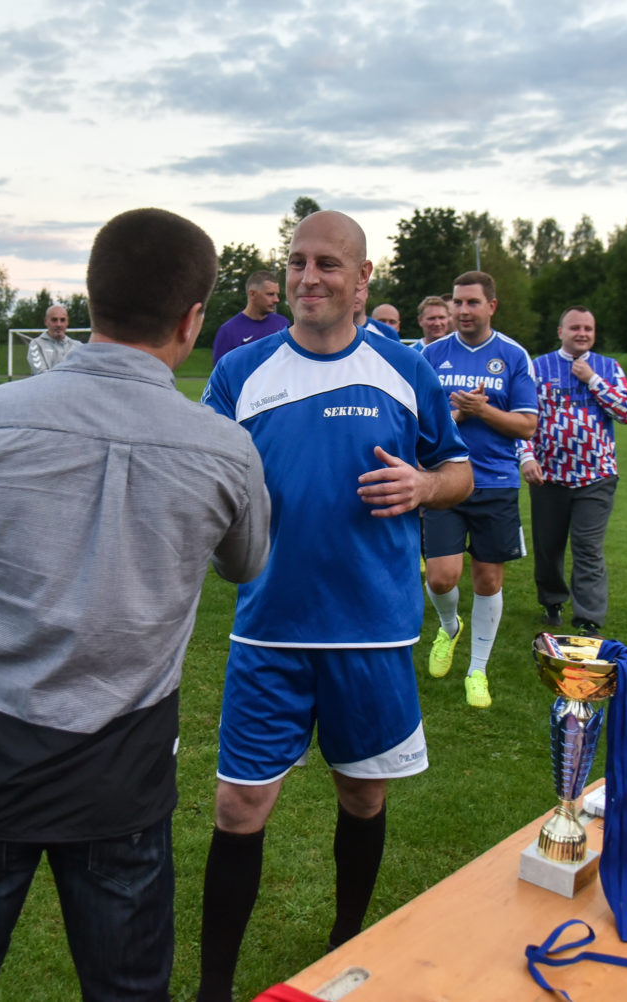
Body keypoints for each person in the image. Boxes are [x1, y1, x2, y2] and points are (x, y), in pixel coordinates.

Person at [0, 207, 270, 1002]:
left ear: (89, 300)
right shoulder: (225, 447)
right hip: (124, 763)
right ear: (192, 321)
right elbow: (247, 562)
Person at [195, 210, 471, 1002]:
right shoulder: (241, 372)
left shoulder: (404, 369)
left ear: (361, 278)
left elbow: (459, 473)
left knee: (363, 793)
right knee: (239, 805)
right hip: (269, 629)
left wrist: (424, 484)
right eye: (297, 262)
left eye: (326, 263)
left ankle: (347, 938)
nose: (307, 277)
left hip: (372, 632)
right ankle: (215, 987)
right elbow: (202, 473)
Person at [420, 272, 539, 708]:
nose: (463, 310)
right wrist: (458, 415)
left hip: (496, 483)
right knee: (440, 577)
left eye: (472, 302)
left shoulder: (513, 355)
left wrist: (483, 410)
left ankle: (477, 670)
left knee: (488, 579)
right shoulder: (431, 355)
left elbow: (526, 424)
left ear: (492, 306)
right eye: (457, 302)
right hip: (445, 479)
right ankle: (450, 627)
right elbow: (420, 420)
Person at [518, 305, 627, 635]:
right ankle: (552, 601)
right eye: (575, 328)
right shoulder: (538, 368)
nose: (582, 333)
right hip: (549, 477)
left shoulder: (608, 368)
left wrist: (593, 380)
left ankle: (588, 619)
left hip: (597, 476)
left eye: (588, 328)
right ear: (561, 332)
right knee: (548, 547)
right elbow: (522, 417)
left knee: (588, 548)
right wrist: (526, 457)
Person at [211, 270, 287, 365]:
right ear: (252, 294)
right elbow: (221, 371)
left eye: (277, 294)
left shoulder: (283, 324)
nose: (276, 300)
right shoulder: (228, 331)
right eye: (270, 294)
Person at [25, 304, 78, 375]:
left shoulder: (78, 346)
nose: (59, 324)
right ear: (46, 321)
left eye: (62, 320)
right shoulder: (36, 344)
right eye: (54, 320)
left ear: (67, 322)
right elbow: (41, 374)